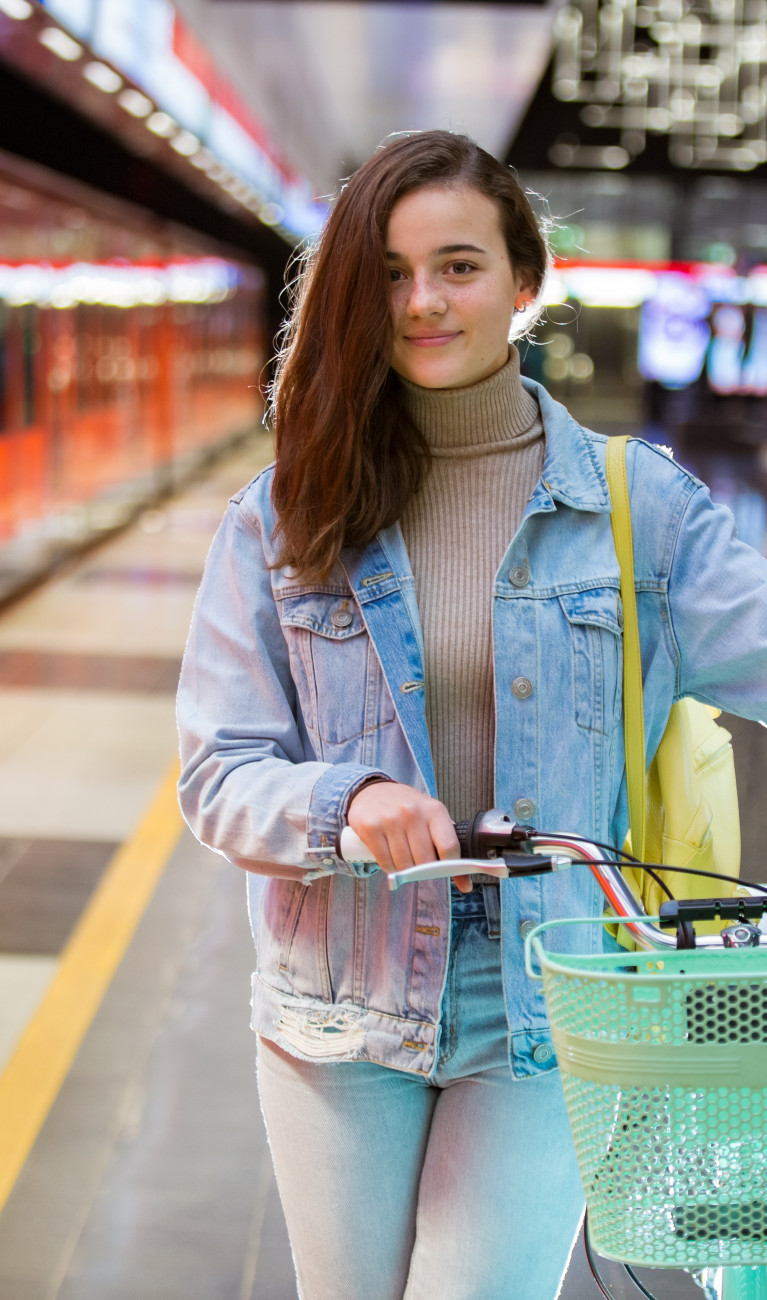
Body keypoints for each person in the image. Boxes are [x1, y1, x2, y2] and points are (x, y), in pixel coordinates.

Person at [176, 130, 767, 1299]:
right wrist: (348, 801)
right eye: (389, 274)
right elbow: (217, 773)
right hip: (338, 1010)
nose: (422, 301)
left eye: (455, 265)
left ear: (522, 280)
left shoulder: (631, 504)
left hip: (547, 1008)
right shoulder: (282, 518)